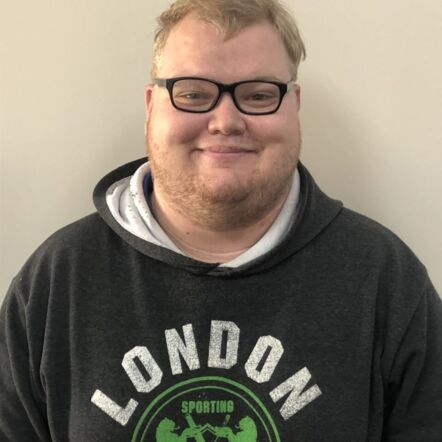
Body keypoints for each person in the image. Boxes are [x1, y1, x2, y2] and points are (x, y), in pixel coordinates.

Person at [1, 0, 441, 440]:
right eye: (193, 93)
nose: (226, 121)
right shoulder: (55, 281)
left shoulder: (386, 279)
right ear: (152, 106)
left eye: (258, 95)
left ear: (294, 105)